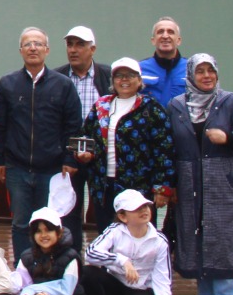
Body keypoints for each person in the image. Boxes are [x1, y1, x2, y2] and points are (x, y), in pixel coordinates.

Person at [167, 53, 233, 295]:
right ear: (191, 76)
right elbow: (170, 142)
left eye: (211, 71)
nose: (207, 76)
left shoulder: (229, 101)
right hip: (189, 180)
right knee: (196, 233)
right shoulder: (176, 105)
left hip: (222, 179)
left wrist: (229, 137)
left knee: (224, 237)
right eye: (201, 71)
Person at [0, 27, 82, 261]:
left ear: (47, 50)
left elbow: (73, 126)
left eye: (38, 44)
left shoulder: (63, 85)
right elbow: (0, 125)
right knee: (21, 222)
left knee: (49, 222)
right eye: (28, 44)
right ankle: (24, 267)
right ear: (21, 50)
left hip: (51, 168)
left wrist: (69, 159)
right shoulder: (8, 84)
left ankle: (49, 268)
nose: (33, 48)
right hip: (17, 167)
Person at [74, 57, 174, 233]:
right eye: (119, 76)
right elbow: (87, 136)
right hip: (103, 187)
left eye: (130, 75)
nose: (124, 80)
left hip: (138, 187)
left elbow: (164, 150)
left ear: (139, 80)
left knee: (139, 235)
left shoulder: (151, 109)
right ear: (113, 80)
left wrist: (161, 187)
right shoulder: (101, 106)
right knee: (107, 234)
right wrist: (84, 155)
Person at [82, 189, 176, 295]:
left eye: (146, 206)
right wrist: (121, 260)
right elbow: (90, 253)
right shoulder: (115, 231)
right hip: (116, 285)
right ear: (122, 216)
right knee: (87, 273)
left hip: (141, 290)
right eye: (137, 209)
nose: (144, 211)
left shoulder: (160, 241)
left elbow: (163, 282)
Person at [55, 25, 112, 243]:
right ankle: (73, 265)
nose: (73, 50)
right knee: (68, 213)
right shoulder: (57, 77)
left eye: (80, 45)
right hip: (67, 156)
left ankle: (104, 264)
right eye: (70, 45)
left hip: (101, 157)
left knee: (104, 212)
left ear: (92, 49)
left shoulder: (107, 76)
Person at [140, 17, 187, 107]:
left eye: (171, 32)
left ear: (178, 40)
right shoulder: (140, 69)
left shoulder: (192, 68)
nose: (165, 36)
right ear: (153, 40)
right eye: (160, 32)